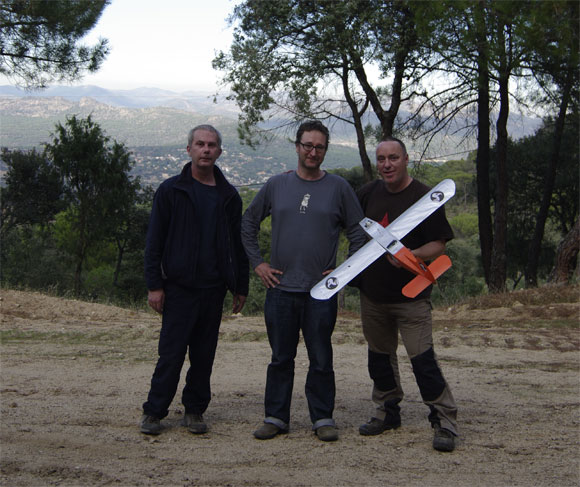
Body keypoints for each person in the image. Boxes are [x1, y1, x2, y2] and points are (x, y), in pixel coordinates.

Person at [242, 120, 366, 442]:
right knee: (281, 358)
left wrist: (345, 272)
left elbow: (358, 233)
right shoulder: (276, 185)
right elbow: (248, 223)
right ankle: (275, 417)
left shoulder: (339, 188)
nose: (313, 151)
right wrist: (258, 264)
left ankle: (323, 417)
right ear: (296, 146)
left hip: (321, 294)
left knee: (321, 358)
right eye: (307, 145)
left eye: (319, 146)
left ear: (325, 150)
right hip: (280, 289)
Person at [140, 124, 249, 435]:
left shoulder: (228, 196)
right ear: (189, 150)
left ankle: (194, 410)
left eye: (212, 145)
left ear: (219, 151)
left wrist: (240, 285)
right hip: (178, 289)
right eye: (200, 144)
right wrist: (154, 285)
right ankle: (154, 411)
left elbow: (236, 245)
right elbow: (154, 242)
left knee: (204, 356)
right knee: (171, 355)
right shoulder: (171, 190)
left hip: (213, 290)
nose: (206, 150)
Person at [356, 136, 458, 452]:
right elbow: (347, 223)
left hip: (411, 298)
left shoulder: (424, 196)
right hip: (373, 295)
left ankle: (444, 420)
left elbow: (439, 244)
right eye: (382, 159)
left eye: (393, 158)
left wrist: (408, 254)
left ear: (405, 159)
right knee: (379, 359)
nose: (387, 164)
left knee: (423, 360)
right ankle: (387, 411)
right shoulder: (369, 193)